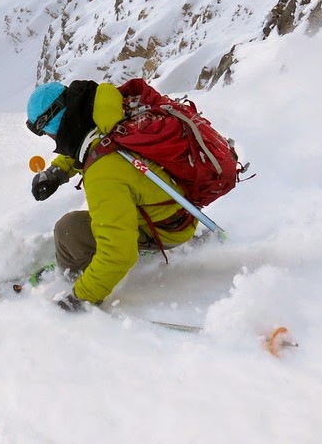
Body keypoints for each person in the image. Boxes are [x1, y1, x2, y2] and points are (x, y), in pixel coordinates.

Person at [26, 80, 199, 311]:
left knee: (68, 231)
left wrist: (81, 297)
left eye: (47, 132)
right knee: (103, 219)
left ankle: (77, 274)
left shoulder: (103, 172)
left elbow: (118, 253)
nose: (51, 138)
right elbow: (92, 142)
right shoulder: (110, 113)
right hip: (179, 210)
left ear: (56, 123)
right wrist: (58, 171)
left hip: (166, 229)